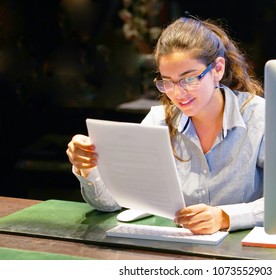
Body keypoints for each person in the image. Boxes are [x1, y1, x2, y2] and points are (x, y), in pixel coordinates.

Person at [66, 15, 265, 235]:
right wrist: (87, 166)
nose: (177, 93)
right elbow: (110, 204)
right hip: (176, 248)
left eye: (189, 79)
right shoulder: (158, 122)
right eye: (167, 82)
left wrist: (226, 217)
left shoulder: (260, 117)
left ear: (217, 69)